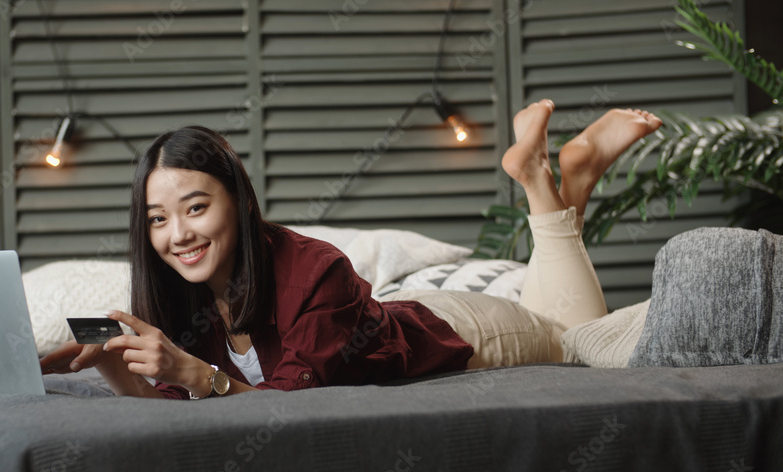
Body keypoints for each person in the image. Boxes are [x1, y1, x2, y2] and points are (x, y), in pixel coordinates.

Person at [39, 99, 663, 399]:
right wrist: (108, 362)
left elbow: (287, 413)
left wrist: (190, 370)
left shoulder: (316, 272)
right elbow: (184, 405)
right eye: (157, 219)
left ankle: (542, 180)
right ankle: (571, 179)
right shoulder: (185, 296)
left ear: (240, 202)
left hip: (466, 331)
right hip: (387, 312)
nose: (178, 235)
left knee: (573, 335)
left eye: (196, 207)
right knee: (567, 314)